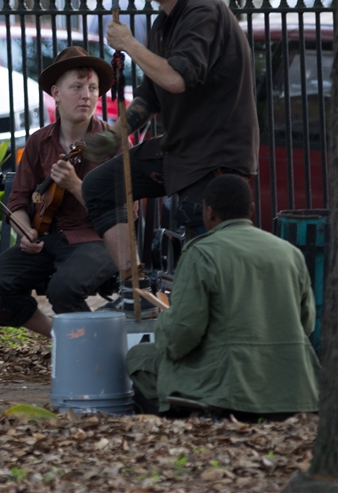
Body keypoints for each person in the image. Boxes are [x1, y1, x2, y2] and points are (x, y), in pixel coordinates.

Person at [81, 0, 259, 312]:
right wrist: (117, 134)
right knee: (99, 186)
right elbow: (151, 92)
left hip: (214, 157)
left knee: (204, 261)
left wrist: (129, 44)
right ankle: (135, 287)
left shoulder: (203, 9)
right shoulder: (164, 24)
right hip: (182, 151)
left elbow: (177, 78)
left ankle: (218, 329)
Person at [125, 175, 319, 418]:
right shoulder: (290, 252)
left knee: (139, 356)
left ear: (209, 212)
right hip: (293, 385)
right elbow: (307, 323)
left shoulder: (201, 253)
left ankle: (186, 418)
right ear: (251, 210)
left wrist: (166, 321)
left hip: (229, 386)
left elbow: (178, 337)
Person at [0, 47, 119, 336]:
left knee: (63, 288)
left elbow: (124, 213)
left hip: (99, 240)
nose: (86, 95)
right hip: (49, 240)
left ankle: (92, 350)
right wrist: (25, 230)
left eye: (92, 88)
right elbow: (18, 199)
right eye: (76, 87)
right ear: (56, 92)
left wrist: (77, 187)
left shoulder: (112, 143)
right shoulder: (39, 142)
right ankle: (60, 337)